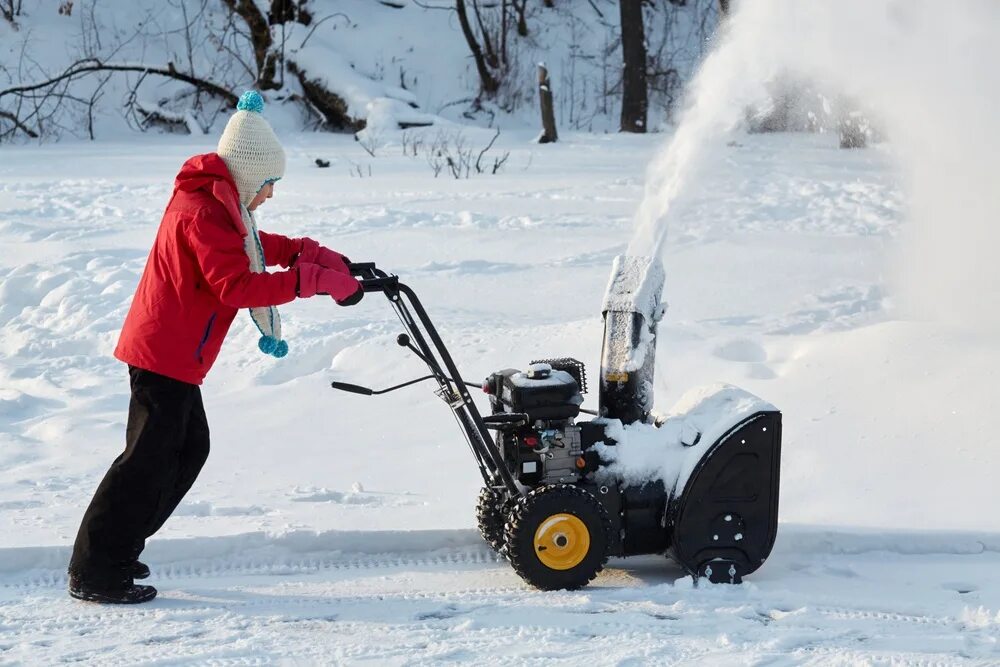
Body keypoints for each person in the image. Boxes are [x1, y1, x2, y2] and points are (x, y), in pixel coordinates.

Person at [67, 91, 362, 604]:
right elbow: (236, 285)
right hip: (164, 352)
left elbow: (250, 243)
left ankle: (118, 544)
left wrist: (308, 252)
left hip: (175, 353)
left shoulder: (220, 204)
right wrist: (309, 280)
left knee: (185, 450)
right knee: (146, 461)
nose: (268, 196)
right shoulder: (204, 209)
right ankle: (96, 567)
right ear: (249, 177)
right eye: (268, 185)